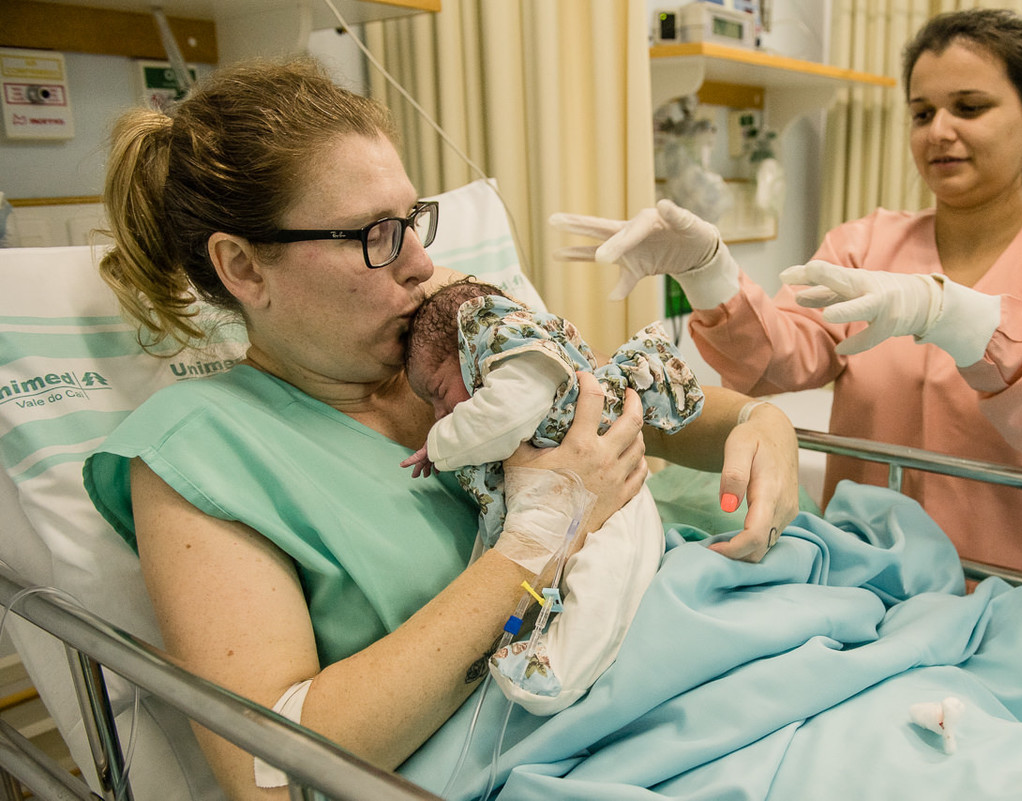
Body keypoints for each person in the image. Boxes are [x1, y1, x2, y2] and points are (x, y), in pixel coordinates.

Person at [80, 57, 800, 798]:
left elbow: (601, 401)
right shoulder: (198, 452)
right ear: (243, 268)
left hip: (689, 665)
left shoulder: (440, 333)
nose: (421, 263)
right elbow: (270, 772)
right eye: (375, 235)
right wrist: (542, 533)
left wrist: (759, 419)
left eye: (412, 221)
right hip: (550, 753)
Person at [551, 7, 1022, 688]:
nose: (939, 131)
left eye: (969, 107)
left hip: (1020, 611)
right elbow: (782, 357)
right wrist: (710, 276)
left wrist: (959, 318)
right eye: (922, 112)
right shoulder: (867, 244)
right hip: (873, 594)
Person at [400, 276, 704, 714]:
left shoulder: (516, 350)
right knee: (561, 580)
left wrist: (438, 445)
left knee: (604, 583)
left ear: (468, 349)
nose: (439, 413)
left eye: (439, 392)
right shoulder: (507, 354)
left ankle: (557, 673)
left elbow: (504, 416)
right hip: (576, 501)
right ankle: (540, 649)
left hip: (617, 506)